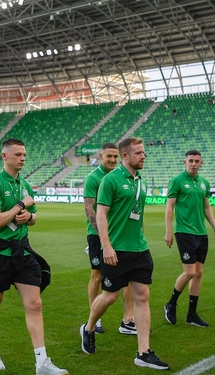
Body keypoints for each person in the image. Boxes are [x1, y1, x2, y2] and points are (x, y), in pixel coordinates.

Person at [0, 138, 67, 375]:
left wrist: (27, 218)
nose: (22, 158)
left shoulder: (25, 184)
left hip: (22, 250)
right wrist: (19, 207)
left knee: (35, 303)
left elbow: (33, 217)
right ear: (4, 156)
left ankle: (42, 363)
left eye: (24, 154)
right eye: (18, 154)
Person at [80, 137, 169, 371]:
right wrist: (106, 246)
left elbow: (139, 214)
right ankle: (89, 327)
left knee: (142, 296)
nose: (143, 156)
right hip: (116, 249)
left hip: (139, 249)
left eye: (143, 152)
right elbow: (100, 216)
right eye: (138, 153)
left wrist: (142, 239)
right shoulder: (110, 181)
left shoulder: (141, 181)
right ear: (126, 156)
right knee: (109, 296)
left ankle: (143, 352)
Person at [82, 143, 136, 335]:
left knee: (128, 277)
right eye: (109, 157)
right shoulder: (93, 178)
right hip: (98, 235)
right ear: (100, 156)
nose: (113, 160)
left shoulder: (122, 176)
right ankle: (94, 319)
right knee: (97, 275)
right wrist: (103, 237)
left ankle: (128, 319)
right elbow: (90, 210)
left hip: (120, 234)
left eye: (116, 157)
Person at [164, 150, 215, 327]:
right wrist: (168, 231)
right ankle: (171, 303)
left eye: (197, 161)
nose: (194, 164)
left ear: (201, 163)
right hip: (184, 232)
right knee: (189, 272)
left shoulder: (204, 183)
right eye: (191, 161)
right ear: (185, 162)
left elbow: (207, 208)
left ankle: (191, 315)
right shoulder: (177, 181)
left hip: (201, 233)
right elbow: (169, 208)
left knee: (198, 273)